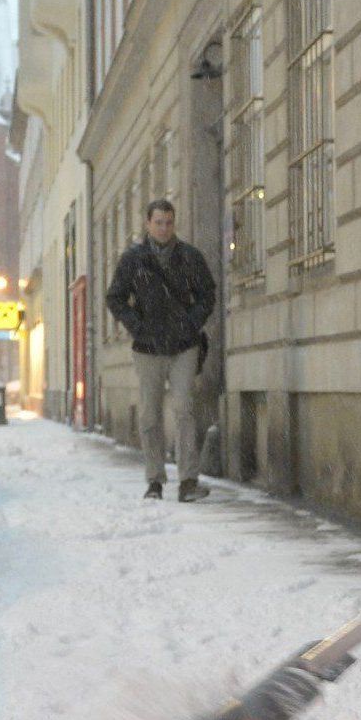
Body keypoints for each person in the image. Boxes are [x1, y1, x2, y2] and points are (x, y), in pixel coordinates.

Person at [106, 199, 216, 502]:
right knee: (150, 415)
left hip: (184, 346)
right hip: (147, 347)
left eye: (169, 222)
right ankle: (154, 480)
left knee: (183, 409)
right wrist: (137, 326)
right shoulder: (133, 260)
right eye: (158, 222)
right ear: (148, 223)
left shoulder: (190, 257)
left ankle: (188, 481)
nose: (164, 228)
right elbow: (115, 297)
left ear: (174, 223)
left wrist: (191, 323)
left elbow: (208, 294)